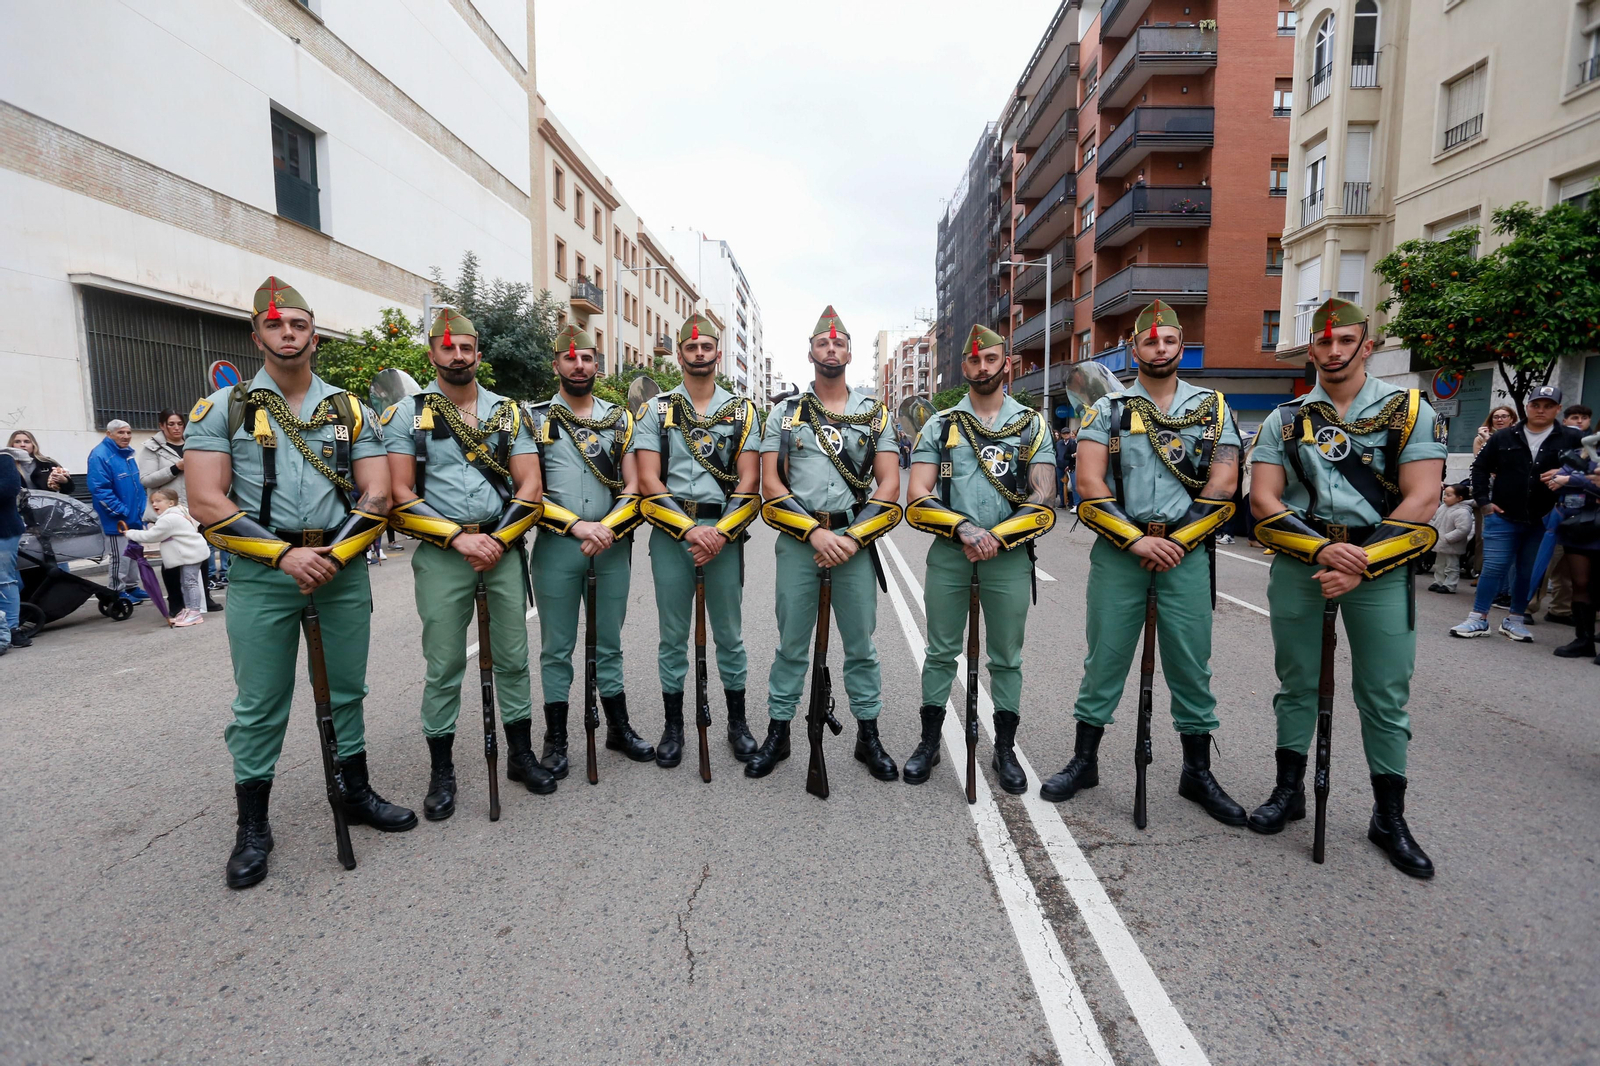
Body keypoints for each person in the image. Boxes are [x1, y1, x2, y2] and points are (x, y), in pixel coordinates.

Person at [187, 276, 413, 890]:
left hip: (340, 568)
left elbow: (379, 491)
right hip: (265, 573)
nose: (288, 334)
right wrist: (286, 557)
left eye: (299, 325)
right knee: (260, 703)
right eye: (275, 325)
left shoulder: (348, 408)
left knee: (346, 689)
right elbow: (206, 502)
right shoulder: (221, 410)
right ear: (257, 333)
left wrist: (336, 554)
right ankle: (253, 826)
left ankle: (356, 793)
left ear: (314, 334)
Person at [1250, 297, 1444, 878]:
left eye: (1345, 341)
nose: (1333, 352)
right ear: (1311, 348)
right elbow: (1263, 499)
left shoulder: (1409, 411)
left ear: (1368, 344)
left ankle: (1389, 817)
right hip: (1303, 560)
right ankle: (1290, 793)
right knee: (1297, 683)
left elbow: (1424, 497)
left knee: (1384, 694)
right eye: (1323, 343)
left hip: (1379, 565)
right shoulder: (1284, 419)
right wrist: (1319, 549)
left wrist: (1359, 560)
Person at [1041, 301, 1245, 825]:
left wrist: (1174, 541)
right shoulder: (1105, 411)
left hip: (1186, 553)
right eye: (1149, 342)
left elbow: (1224, 485)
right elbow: (1088, 485)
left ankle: (1197, 773)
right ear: (1134, 348)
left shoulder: (1214, 409)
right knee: (1104, 660)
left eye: (1169, 341)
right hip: (1120, 553)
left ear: (1181, 346)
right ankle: (1085, 762)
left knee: (1191, 665)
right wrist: (1137, 541)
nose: (1159, 348)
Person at [383, 310, 555, 819]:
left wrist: (497, 540)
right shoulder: (404, 416)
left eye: (466, 349)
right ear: (432, 354)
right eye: (447, 348)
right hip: (442, 553)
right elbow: (398, 492)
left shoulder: (510, 413)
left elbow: (531, 486)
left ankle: (521, 755)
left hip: (500, 547)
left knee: (514, 655)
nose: (457, 356)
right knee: (444, 663)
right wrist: (459, 539)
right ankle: (442, 770)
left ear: (478, 354)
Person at [749, 306, 903, 782]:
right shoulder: (784, 413)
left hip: (853, 543)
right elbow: (770, 484)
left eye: (838, 344)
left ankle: (868, 735)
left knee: (861, 646)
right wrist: (814, 533)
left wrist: (852, 538)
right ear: (811, 352)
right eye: (822, 343)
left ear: (850, 353)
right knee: (791, 644)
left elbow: (890, 485)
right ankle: (779, 731)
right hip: (800, 541)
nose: (831, 349)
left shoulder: (872, 412)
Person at [903, 324, 1056, 793]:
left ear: (1004, 363)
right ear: (963, 366)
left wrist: (997, 537)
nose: (983, 367)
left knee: (1006, 657)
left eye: (991, 359)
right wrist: (964, 529)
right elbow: (917, 494)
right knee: (940, 651)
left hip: (1008, 558)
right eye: (974, 361)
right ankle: (929, 742)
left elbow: (1044, 494)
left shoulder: (1031, 424)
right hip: (951, 552)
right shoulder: (940, 425)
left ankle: (1004, 748)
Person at [634, 313, 763, 766]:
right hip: (673, 534)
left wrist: (719, 533)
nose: (699, 354)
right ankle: (674, 727)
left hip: (724, 536)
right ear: (681, 356)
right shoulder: (655, 410)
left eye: (706, 347)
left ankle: (737, 722)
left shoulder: (742, 411)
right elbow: (648, 478)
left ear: (717, 353)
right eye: (691, 349)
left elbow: (750, 481)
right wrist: (690, 530)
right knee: (673, 636)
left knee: (729, 634)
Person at [525, 324, 653, 775]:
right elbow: (529, 491)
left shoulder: (619, 419)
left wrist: (606, 528)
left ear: (598, 364)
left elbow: (635, 483)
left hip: (612, 545)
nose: (579, 366)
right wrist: (580, 527)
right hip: (558, 546)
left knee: (609, 642)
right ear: (556, 364)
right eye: (569, 359)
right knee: (556, 647)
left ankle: (618, 728)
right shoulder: (534, 418)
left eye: (587, 359)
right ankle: (555, 739)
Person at [1451, 386, 1585, 641]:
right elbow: (1480, 467)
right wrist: (1484, 502)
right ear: (1527, 407)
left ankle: (1515, 619)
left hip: (1545, 517)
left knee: (1528, 570)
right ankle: (1478, 618)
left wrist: (1566, 474)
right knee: (1493, 567)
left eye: (1548, 405)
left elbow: (1591, 469)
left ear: (1558, 409)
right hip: (1502, 514)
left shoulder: (1571, 438)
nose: (1541, 410)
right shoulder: (1505, 436)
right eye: (1536, 405)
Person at [1545, 439, 1600, 662]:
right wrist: (1586, 480)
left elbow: (1566, 479)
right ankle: (1583, 640)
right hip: (1579, 525)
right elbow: (1555, 480)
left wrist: (1571, 479)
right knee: (1580, 583)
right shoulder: (1584, 452)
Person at [124, 486, 210, 626]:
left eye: (158, 501)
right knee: (187, 582)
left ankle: (194, 612)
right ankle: (189, 610)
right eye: (152, 501)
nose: (154, 504)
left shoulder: (168, 519)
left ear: (170, 503)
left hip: (190, 553)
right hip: (191, 552)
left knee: (189, 582)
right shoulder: (181, 511)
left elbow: (152, 535)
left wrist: (130, 533)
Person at [87, 419, 148, 601]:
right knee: (120, 556)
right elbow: (100, 489)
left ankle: (131, 586)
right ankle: (116, 590)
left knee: (134, 553)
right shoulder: (100, 455)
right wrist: (121, 511)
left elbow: (137, 485)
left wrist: (140, 510)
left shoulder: (127, 454)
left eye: (128, 433)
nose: (126, 436)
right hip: (117, 519)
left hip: (133, 516)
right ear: (109, 434)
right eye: (121, 433)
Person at [1427, 484, 1474, 593]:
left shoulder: (1462, 512)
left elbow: (1463, 529)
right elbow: (1434, 520)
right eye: (1444, 495)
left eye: (1448, 495)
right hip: (1440, 542)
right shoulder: (1443, 508)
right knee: (1439, 564)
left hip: (1452, 545)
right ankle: (1438, 581)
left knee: (1451, 566)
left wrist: (1448, 538)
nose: (1444, 497)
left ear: (1459, 498)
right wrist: (1431, 530)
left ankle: (1450, 585)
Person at [0, 448, 23, 653]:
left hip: (4, 531)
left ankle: (11, 629)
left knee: (4, 579)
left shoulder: (4, 459)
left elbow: (8, 489)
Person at [6, 430, 73, 493]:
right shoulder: (6, 465)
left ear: (33, 445)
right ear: (12, 445)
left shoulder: (46, 463)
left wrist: (64, 481)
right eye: (17, 442)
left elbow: (69, 490)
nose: (22, 445)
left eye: (27, 441)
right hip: (17, 504)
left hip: (46, 503)